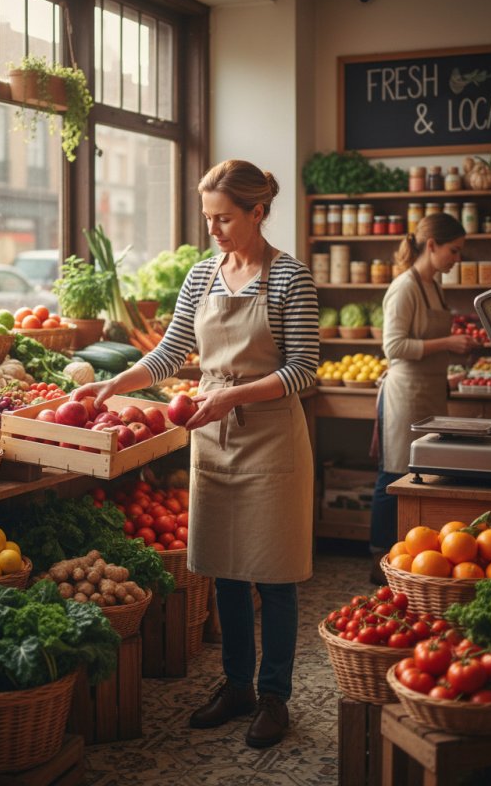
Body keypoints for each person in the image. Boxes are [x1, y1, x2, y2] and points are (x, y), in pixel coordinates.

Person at [71, 159, 319, 748]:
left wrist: (232, 393)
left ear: (258, 212)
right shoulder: (203, 276)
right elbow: (171, 353)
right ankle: (236, 686)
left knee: (275, 577)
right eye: (208, 218)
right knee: (226, 573)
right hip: (212, 437)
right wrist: (113, 386)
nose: (213, 230)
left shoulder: (291, 279)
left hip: (271, 440)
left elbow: (304, 370)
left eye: (224, 218)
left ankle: (274, 697)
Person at [369, 213, 479, 579]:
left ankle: (412, 555)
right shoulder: (404, 287)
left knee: (424, 473)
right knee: (392, 475)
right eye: (454, 250)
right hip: (405, 394)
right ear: (431, 245)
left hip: (430, 391)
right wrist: (448, 342)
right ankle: (377, 559)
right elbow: (394, 346)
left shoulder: (434, 285)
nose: (457, 259)